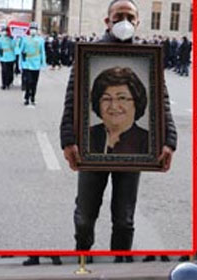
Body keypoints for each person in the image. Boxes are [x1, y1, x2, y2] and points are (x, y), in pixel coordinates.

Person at [60, 0, 176, 255]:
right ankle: (83, 256)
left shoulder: (148, 58)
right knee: (84, 216)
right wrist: (68, 140)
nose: (124, 21)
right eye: (118, 16)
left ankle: (119, 264)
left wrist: (169, 142)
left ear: (137, 22)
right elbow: (72, 99)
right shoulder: (88, 54)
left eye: (129, 16)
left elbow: (162, 102)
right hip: (91, 153)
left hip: (134, 157)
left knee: (124, 219)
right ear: (107, 21)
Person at [89, 67, 150, 154]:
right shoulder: (85, 137)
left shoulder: (150, 142)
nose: (113, 106)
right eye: (106, 98)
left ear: (136, 102)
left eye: (122, 98)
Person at [18, 22, 45, 107]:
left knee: (34, 82)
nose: (33, 30)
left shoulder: (40, 40)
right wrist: (20, 64)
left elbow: (42, 52)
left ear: (37, 30)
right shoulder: (25, 39)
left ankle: (33, 97)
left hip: (36, 64)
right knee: (28, 81)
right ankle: (26, 97)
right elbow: (21, 52)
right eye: (32, 29)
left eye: (35, 29)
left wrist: (43, 63)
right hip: (27, 63)